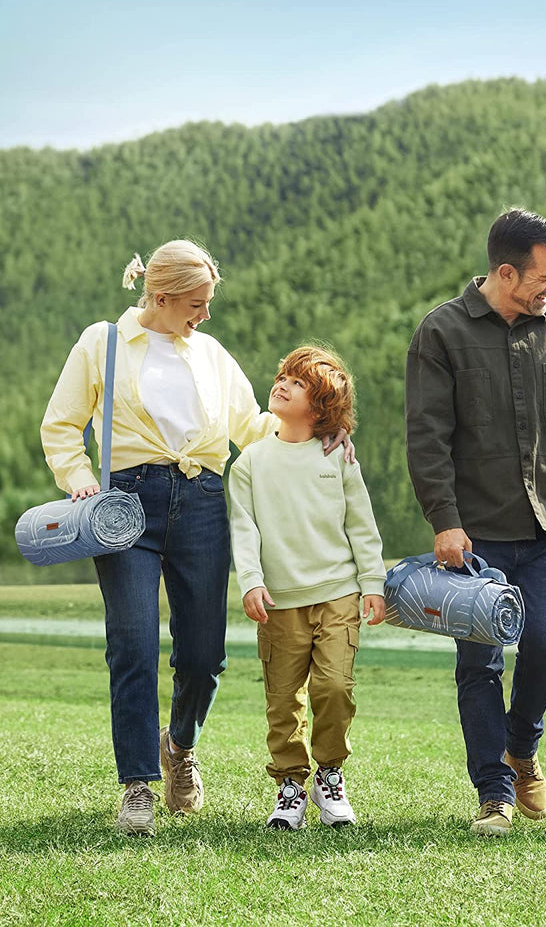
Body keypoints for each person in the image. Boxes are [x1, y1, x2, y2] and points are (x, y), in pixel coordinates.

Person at [40, 241, 348, 837]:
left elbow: (253, 427)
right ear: (161, 297)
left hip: (204, 503)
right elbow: (60, 426)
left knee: (204, 656)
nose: (205, 314)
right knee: (132, 644)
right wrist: (80, 480)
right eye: (197, 303)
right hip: (123, 506)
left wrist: (317, 437)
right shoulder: (101, 343)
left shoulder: (210, 354)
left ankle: (179, 745)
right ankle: (137, 784)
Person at [405, 208, 546, 836]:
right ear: (506, 271)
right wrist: (444, 520)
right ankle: (493, 792)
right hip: (474, 535)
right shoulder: (441, 333)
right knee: (481, 665)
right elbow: (427, 438)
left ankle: (522, 752)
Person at [229, 344, 386, 830]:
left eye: (298, 383)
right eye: (283, 376)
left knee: (334, 686)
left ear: (320, 408)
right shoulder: (249, 463)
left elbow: (361, 525)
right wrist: (251, 582)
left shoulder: (337, 457)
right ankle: (291, 785)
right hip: (279, 602)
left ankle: (330, 775)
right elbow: (244, 529)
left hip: (338, 592)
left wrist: (373, 582)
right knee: (282, 698)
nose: (282, 384)